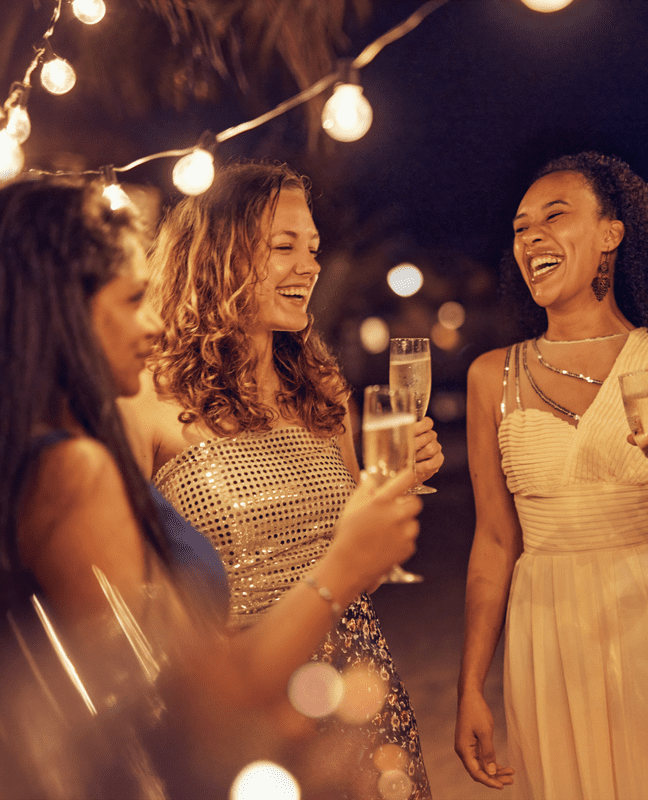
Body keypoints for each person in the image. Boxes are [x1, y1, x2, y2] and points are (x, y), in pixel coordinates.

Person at [0, 177, 422, 798]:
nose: (151, 319)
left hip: (336, 688)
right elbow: (186, 697)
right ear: (63, 307)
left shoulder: (317, 382)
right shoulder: (76, 468)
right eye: (132, 297)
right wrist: (343, 567)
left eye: (314, 246)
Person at [118, 160, 443, 800]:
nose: (310, 266)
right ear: (216, 256)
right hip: (243, 705)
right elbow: (126, 602)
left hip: (360, 691)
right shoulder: (145, 397)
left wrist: (398, 493)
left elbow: (361, 568)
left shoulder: (323, 392)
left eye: (313, 248)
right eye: (283, 247)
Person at [455, 151, 648, 800]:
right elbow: (493, 545)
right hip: (547, 640)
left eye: (553, 217)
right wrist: (470, 686)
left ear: (611, 235)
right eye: (519, 227)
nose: (530, 236)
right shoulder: (490, 377)